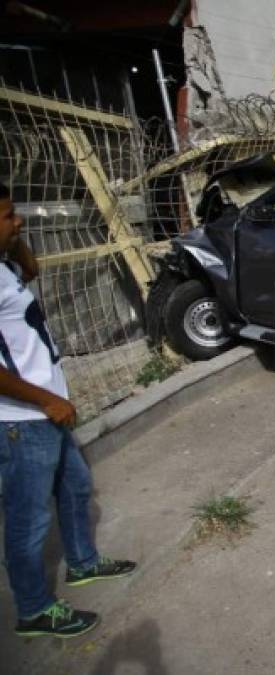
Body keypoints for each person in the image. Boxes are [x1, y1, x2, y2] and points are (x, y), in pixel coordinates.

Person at [0, 183, 137, 638]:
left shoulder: (4, 265)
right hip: (23, 419)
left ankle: (82, 563)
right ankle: (34, 609)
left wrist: (13, 238)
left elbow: (32, 270)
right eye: (7, 216)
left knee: (76, 487)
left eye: (14, 213)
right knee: (29, 518)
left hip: (48, 410)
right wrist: (46, 400)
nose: (17, 221)